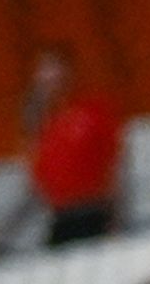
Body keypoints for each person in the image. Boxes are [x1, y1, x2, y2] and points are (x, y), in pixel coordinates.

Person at [28, 46, 129, 247]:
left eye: (50, 68)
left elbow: (115, 164)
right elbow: (40, 181)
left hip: (93, 212)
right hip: (62, 217)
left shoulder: (93, 111)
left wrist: (116, 217)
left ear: (67, 71)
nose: (45, 77)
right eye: (41, 71)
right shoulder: (46, 127)